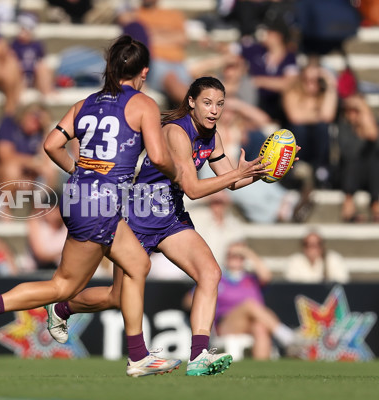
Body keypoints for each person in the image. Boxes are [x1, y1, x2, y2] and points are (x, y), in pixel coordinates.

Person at [0, 35, 184, 378]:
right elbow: (159, 155)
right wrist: (177, 174)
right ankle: (136, 355)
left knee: (111, 272)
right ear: (144, 72)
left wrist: (80, 170)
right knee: (81, 281)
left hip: (77, 196)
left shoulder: (85, 103)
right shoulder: (144, 104)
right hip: (102, 201)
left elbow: (51, 144)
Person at [43, 77, 273, 376]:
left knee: (210, 273)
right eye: (207, 102)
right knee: (116, 297)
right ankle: (62, 308)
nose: (214, 110)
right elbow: (193, 188)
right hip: (138, 217)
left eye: (219, 104)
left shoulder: (211, 136)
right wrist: (237, 175)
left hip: (171, 218)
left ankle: (199, 356)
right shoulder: (176, 132)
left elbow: (232, 180)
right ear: (190, 101)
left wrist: (261, 170)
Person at [186, 241, 298, 360]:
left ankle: (262, 370)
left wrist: (247, 252)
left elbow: (267, 276)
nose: (235, 259)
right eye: (231, 255)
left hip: (251, 323)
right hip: (226, 324)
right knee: (249, 305)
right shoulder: (218, 278)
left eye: (239, 256)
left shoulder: (251, 279)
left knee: (260, 327)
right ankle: (288, 338)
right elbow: (189, 300)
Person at [282, 58, 338, 188]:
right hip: (298, 139)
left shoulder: (324, 94)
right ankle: (297, 169)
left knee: (322, 128)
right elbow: (295, 117)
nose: (311, 84)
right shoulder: (292, 91)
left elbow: (328, 117)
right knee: (299, 128)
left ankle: (320, 170)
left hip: (317, 143)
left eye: (316, 80)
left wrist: (330, 84)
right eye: (307, 79)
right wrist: (317, 115)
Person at [336, 93, 379, 222]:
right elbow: (348, 153)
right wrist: (362, 134)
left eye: (357, 110)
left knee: (375, 161)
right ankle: (349, 202)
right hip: (349, 173)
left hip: (372, 175)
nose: (353, 114)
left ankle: (376, 202)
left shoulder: (375, 124)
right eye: (350, 110)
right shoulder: (344, 127)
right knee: (353, 161)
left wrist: (368, 126)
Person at [10, 12, 55, 97]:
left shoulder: (37, 45)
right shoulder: (15, 44)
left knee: (42, 68)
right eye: (21, 30)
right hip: (21, 76)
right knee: (16, 69)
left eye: (24, 30)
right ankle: (18, 97)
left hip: (34, 77)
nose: (21, 33)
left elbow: (42, 61)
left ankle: (47, 92)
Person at [284, 231, 350, 284]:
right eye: (308, 244)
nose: (313, 248)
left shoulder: (334, 259)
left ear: (322, 246)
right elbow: (290, 285)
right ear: (303, 246)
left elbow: (342, 283)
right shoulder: (294, 262)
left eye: (317, 244)